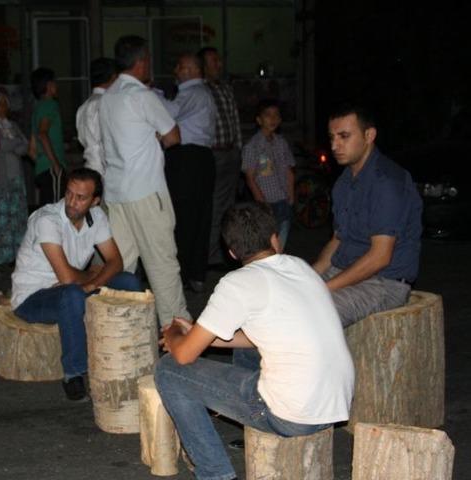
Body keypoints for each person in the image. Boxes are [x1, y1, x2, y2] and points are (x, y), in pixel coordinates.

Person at [155, 202, 354, 480]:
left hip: (291, 415)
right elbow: (257, 336)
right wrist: (202, 334)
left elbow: (184, 356)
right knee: (254, 342)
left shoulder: (238, 283)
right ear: (275, 239)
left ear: (232, 252)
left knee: (168, 370)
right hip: (333, 404)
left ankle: (215, 473)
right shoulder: (299, 267)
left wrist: (174, 334)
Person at [11, 168, 142, 401]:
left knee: (128, 281)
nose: (72, 202)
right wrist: (90, 277)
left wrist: (92, 284)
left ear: (95, 201)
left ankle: (132, 352)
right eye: (69, 193)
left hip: (76, 289)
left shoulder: (97, 217)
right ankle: (74, 373)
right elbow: (67, 278)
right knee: (72, 294)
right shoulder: (47, 220)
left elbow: (116, 262)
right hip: (33, 297)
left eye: (81, 198)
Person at [99, 35, 190, 326]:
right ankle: (176, 332)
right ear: (141, 62)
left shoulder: (107, 97)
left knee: (121, 265)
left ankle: (117, 327)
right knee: (162, 264)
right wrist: (155, 137)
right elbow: (173, 137)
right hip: (146, 192)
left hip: (116, 194)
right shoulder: (142, 96)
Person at [312, 104, 422, 326]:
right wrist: (308, 278)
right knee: (277, 302)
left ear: (369, 135)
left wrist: (322, 290)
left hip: (382, 282)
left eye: (344, 136)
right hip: (344, 271)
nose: (334, 145)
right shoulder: (344, 182)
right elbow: (337, 240)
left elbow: (380, 257)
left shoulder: (387, 182)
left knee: (311, 314)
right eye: (332, 137)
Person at [159, 52, 218, 293]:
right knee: (199, 217)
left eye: (181, 67)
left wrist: (148, 93)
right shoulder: (200, 93)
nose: (176, 71)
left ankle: (184, 275)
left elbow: (168, 114)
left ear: (193, 70)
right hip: (199, 159)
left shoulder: (194, 92)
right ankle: (196, 273)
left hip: (188, 159)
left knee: (183, 217)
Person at [198, 46, 244, 266]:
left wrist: (238, 147)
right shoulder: (201, 91)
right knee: (215, 206)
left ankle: (228, 253)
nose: (219, 64)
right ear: (203, 66)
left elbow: (234, 118)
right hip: (214, 153)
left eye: (219, 60)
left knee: (229, 205)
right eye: (214, 61)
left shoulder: (225, 88)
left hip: (230, 151)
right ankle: (212, 256)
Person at [242, 98, 296, 250]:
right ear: (259, 120)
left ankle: (278, 260)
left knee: (282, 235)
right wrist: (261, 201)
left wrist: (291, 194)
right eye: (268, 115)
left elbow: (288, 169)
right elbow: (250, 177)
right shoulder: (253, 146)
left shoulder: (281, 143)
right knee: (267, 239)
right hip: (266, 201)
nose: (273, 119)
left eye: (276, 115)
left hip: (283, 198)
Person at [0, 92, 29, 266]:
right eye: (0, 104)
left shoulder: (12, 125)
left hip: (16, 178)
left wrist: (11, 144)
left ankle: (18, 254)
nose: (4, 108)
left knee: (17, 216)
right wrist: (13, 144)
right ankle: (1, 257)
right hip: (0, 179)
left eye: (5, 104)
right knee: (2, 218)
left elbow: (24, 147)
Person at [30, 67, 66, 205]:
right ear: (49, 85)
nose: (56, 86)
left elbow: (31, 150)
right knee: (57, 210)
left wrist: (41, 162)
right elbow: (42, 134)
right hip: (52, 168)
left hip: (42, 168)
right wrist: (55, 163)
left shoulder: (37, 108)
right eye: (54, 83)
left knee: (48, 210)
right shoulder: (51, 105)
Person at [76, 58, 117, 176]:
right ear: (113, 77)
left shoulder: (83, 107)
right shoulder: (106, 103)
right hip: (104, 170)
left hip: (90, 166)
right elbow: (106, 142)